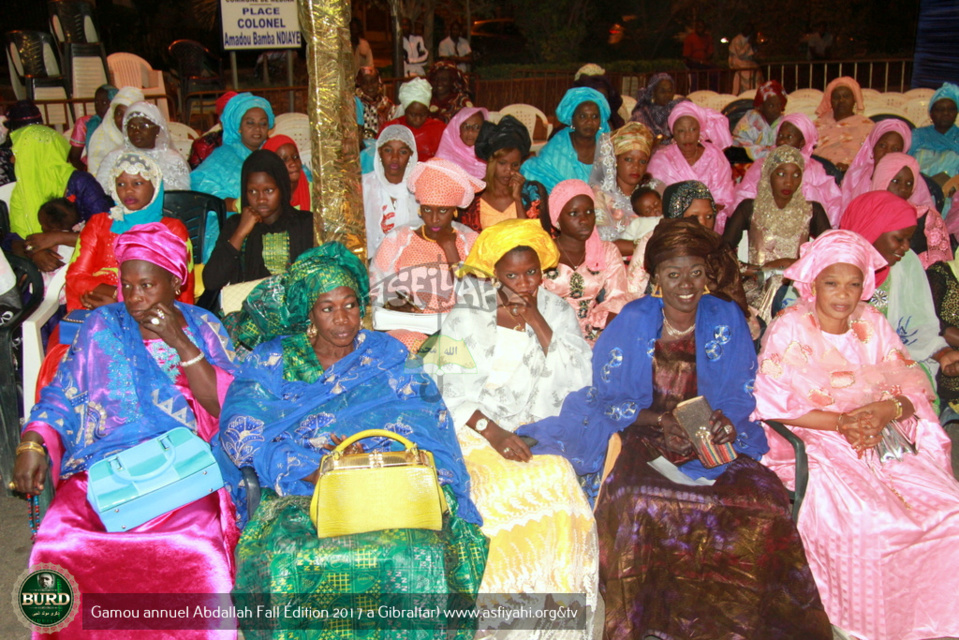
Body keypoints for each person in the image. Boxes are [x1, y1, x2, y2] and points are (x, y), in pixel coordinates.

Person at [518, 218, 829, 640]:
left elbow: (742, 388)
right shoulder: (632, 318)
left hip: (713, 438)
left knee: (761, 502)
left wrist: (726, 422)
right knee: (636, 501)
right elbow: (608, 395)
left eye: (696, 273)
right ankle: (651, 622)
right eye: (673, 274)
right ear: (656, 277)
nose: (686, 284)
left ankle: (733, 622)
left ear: (708, 274)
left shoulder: (727, 316)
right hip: (647, 435)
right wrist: (659, 420)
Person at [213, 244, 487, 638]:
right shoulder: (273, 358)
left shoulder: (384, 353)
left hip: (383, 488)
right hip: (298, 491)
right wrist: (317, 468)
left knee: (417, 555)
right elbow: (240, 429)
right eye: (327, 308)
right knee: (287, 559)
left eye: (351, 305)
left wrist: (372, 459)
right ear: (309, 312)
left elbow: (425, 421)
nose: (343, 320)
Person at [12, 223, 239, 640]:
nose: (133, 298)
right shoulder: (102, 325)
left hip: (183, 470)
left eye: (147, 285)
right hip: (104, 467)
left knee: (196, 549)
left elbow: (231, 408)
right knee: (59, 544)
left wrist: (181, 343)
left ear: (175, 281)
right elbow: (63, 394)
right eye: (127, 285)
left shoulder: (202, 325)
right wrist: (34, 441)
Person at [752, 229, 959, 640]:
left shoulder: (872, 322)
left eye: (853, 284)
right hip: (819, 437)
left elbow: (912, 389)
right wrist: (842, 422)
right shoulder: (790, 327)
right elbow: (773, 404)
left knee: (947, 510)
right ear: (813, 283)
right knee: (871, 519)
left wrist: (884, 411)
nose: (844, 295)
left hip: (883, 433)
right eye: (832, 283)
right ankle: (871, 622)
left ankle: (939, 617)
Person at [428, 219, 598, 622]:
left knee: (558, 485)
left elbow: (580, 379)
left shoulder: (556, 309)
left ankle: (556, 616)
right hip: (474, 429)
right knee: (494, 498)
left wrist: (539, 320)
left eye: (532, 272)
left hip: (541, 430)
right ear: (492, 275)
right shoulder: (466, 316)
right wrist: (495, 432)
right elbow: (448, 388)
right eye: (511, 275)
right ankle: (502, 619)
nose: (524, 283)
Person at [839, 191, 959, 383]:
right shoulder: (829, 263)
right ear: (872, 229)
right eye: (899, 239)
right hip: (834, 369)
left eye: (909, 239)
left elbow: (917, 327)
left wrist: (943, 353)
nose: (905, 247)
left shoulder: (906, 263)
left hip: (891, 366)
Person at [369, 159, 482, 349]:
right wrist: (392, 301)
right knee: (407, 344)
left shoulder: (470, 241)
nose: (434, 218)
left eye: (443, 211)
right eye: (428, 210)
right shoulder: (399, 238)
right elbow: (376, 280)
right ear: (420, 210)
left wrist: (450, 249)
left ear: (455, 211)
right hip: (403, 325)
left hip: (453, 329)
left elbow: (477, 293)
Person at [67, 151, 195, 311]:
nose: (128, 190)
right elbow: (75, 277)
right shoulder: (98, 224)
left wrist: (122, 301)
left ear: (155, 185)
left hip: (153, 312)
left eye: (137, 183)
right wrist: (115, 295)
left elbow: (182, 286)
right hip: (97, 305)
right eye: (121, 184)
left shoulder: (171, 229)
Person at [203, 149, 315, 296]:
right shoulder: (236, 224)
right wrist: (240, 233)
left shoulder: (304, 223)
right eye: (253, 192)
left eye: (268, 190)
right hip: (246, 312)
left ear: (281, 188)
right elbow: (212, 281)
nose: (261, 199)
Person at [542, 179, 629, 344]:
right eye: (574, 213)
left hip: (593, 332)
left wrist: (606, 335)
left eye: (589, 212)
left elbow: (618, 297)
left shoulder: (607, 251)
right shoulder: (542, 252)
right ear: (557, 218)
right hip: (549, 333)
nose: (584, 220)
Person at [723, 145, 831, 275]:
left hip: (795, 286)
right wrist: (761, 270)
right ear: (768, 174)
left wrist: (795, 265)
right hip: (758, 286)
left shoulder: (812, 210)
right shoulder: (749, 208)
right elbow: (723, 253)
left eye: (796, 175)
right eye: (781, 174)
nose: (789, 182)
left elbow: (830, 253)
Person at [732, 112, 843, 225]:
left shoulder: (814, 169)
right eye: (780, 136)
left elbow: (833, 204)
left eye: (789, 137)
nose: (782, 141)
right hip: (762, 227)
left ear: (801, 143)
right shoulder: (761, 165)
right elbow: (743, 197)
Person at [9, 125, 112, 241]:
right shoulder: (21, 189)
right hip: (36, 254)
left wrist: (58, 238)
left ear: (35, 155)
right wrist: (34, 251)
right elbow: (15, 236)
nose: (12, 160)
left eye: (18, 153)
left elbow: (104, 231)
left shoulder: (80, 182)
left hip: (86, 253)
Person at [647, 102, 736, 229]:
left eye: (693, 129)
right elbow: (655, 199)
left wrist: (704, 212)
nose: (687, 136)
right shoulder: (661, 159)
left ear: (699, 130)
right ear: (673, 133)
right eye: (681, 130)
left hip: (712, 222)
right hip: (674, 225)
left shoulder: (714, 155)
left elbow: (725, 195)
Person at [625, 180, 717, 297]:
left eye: (709, 216)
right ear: (675, 215)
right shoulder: (654, 241)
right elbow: (633, 291)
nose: (703, 223)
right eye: (694, 217)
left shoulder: (716, 244)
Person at [191, 93, 275, 211]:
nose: (257, 128)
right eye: (250, 123)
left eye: (263, 123)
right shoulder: (223, 157)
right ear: (238, 127)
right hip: (232, 220)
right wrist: (235, 205)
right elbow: (200, 184)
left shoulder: (273, 151)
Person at [460, 115, 545, 232]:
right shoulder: (474, 197)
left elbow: (533, 236)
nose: (509, 170)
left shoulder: (531, 193)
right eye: (502, 163)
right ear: (491, 163)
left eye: (515, 165)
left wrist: (518, 199)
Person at [521, 87, 611, 192]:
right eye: (583, 116)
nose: (589, 122)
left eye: (595, 116)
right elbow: (538, 175)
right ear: (571, 119)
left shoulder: (606, 145)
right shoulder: (557, 147)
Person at [871, 152, 951, 269]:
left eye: (909, 184)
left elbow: (939, 267)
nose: (903, 188)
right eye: (895, 181)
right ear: (881, 179)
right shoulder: (865, 213)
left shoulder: (927, 217)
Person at [95, 101, 191, 192]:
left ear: (157, 130)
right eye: (131, 127)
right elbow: (101, 191)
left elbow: (180, 195)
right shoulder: (115, 157)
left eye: (143, 126)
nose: (136, 132)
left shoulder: (172, 160)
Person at [590, 122, 655, 247]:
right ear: (615, 160)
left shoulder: (654, 189)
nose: (636, 167)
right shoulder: (600, 195)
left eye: (642, 161)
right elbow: (604, 244)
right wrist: (645, 245)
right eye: (629, 159)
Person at [362, 124, 419, 256]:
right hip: (369, 264)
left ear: (411, 155)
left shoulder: (420, 189)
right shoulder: (363, 185)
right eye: (388, 150)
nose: (395, 157)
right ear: (379, 152)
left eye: (403, 152)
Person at [839, 118, 912, 211]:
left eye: (895, 149)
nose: (887, 153)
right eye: (882, 146)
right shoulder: (855, 176)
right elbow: (841, 211)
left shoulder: (910, 180)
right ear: (873, 147)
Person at [814, 76, 874, 171]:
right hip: (820, 173)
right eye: (836, 97)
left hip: (855, 174)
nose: (841, 100)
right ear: (830, 101)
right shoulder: (816, 125)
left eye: (846, 96)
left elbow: (870, 158)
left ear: (854, 99)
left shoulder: (867, 126)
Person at [85, 86, 145, 177]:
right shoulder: (100, 140)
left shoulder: (147, 136)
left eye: (129, 113)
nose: (123, 119)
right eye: (119, 113)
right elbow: (97, 178)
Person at [382, 78, 446, 161]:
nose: (418, 119)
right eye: (412, 114)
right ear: (405, 111)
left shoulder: (440, 129)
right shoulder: (390, 129)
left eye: (422, 114)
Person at [910, 82, 959, 184]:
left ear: (956, 113)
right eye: (940, 109)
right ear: (931, 114)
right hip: (918, 188)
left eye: (951, 109)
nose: (946, 113)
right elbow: (904, 164)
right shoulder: (916, 136)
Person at [732, 80, 786, 160]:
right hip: (748, 162)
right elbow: (740, 145)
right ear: (760, 106)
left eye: (779, 105)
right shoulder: (749, 119)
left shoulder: (786, 122)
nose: (776, 109)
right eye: (771, 105)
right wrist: (769, 152)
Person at [67, 84, 117, 170]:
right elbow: (74, 157)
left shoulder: (121, 124)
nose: (99, 106)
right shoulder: (86, 123)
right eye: (96, 102)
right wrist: (89, 174)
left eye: (104, 102)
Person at [630, 73, 686, 145]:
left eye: (670, 91)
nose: (667, 95)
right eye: (662, 91)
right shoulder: (642, 114)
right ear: (653, 92)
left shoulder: (677, 110)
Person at [434, 106, 487, 180]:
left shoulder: (488, 154)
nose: (470, 131)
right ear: (457, 128)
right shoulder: (444, 158)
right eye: (465, 127)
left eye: (476, 127)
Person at [188, 91, 238, 170]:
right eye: (226, 114)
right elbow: (195, 178)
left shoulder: (253, 142)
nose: (230, 119)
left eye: (235, 113)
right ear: (219, 118)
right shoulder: (204, 145)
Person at [262, 135, 312, 211]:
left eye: (295, 157)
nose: (293, 163)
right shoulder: (260, 197)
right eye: (284, 160)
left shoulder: (317, 192)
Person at [573, 64, 625, 130]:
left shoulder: (615, 122)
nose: (600, 101)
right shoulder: (570, 127)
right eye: (594, 97)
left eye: (603, 97)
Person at [355, 67, 395, 143]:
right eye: (364, 82)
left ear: (379, 82)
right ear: (359, 84)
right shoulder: (356, 104)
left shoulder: (388, 105)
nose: (370, 86)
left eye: (373, 81)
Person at [728, 23, 762, 94]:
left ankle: (755, 92)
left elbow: (752, 53)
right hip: (738, 61)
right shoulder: (737, 39)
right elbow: (740, 54)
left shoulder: (751, 38)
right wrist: (748, 44)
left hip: (747, 62)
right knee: (747, 74)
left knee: (756, 72)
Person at [683, 19, 717, 91]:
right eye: (698, 27)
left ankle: (713, 92)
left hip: (704, 63)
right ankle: (693, 92)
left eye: (702, 27)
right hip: (693, 63)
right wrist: (700, 61)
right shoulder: (690, 38)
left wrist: (706, 60)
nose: (700, 29)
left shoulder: (708, 38)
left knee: (715, 71)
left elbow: (710, 52)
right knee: (695, 75)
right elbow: (687, 56)